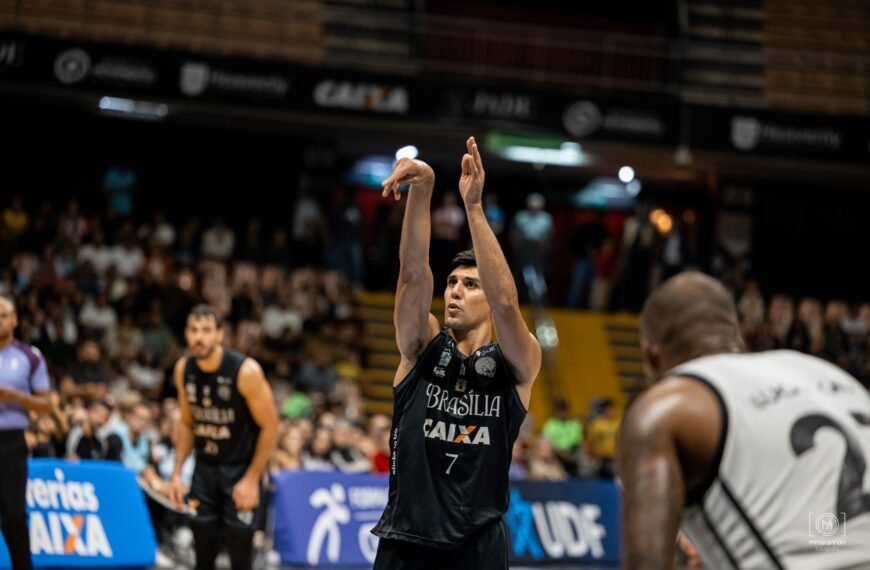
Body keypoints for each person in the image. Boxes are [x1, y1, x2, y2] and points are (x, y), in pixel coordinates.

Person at [618, 271, 870, 570]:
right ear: (736, 332)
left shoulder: (667, 407)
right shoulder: (830, 374)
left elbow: (648, 564)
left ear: (651, 355)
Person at [371, 137, 542, 570]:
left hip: (477, 546)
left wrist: (474, 207)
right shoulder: (422, 346)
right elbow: (412, 275)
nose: (454, 292)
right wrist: (422, 190)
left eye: (470, 285)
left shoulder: (518, 362)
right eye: (452, 283)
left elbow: (506, 302)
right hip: (405, 540)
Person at [168, 305, 278, 570]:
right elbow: (186, 422)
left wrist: (252, 479)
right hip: (204, 471)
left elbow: (271, 428)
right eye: (193, 330)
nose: (199, 337)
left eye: (206, 330)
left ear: (220, 334)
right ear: (186, 334)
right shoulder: (184, 369)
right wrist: (176, 472)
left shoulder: (245, 371)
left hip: (240, 471)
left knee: (240, 558)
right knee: (202, 556)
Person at [0, 294, 52, 570]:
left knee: (13, 516)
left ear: (15, 319)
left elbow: (46, 404)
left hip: (10, 442)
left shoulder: (29, 356)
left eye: (3, 314)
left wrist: (18, 398)